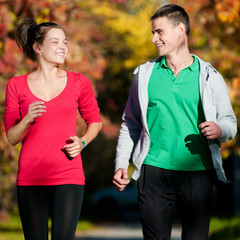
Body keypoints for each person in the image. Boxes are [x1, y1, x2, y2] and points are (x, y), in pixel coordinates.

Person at [113, 4, 237, 240]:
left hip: (197, 172)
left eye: (159, 32)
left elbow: (230, 122)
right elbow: (130, 123)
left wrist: (220, 129)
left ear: (180, 30)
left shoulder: (210, 75)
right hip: (153, 171)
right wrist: (121, 162)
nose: (154, 39)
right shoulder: (144, 74)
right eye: (153, 33)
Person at [4, 18, 102, 240]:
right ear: (38, 48)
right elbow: (11, 137)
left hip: (69, 175)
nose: (63, 47)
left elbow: (95, 121)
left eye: (65, 42)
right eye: (55, 42)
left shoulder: (79, 82)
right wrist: (27, 118)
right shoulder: (16, 85)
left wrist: (83, 141)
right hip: (31, 177)